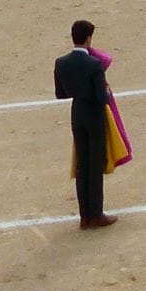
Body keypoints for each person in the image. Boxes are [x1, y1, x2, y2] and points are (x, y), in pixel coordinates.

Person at [52, 21, 118, 230]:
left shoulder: (61, 63)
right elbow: (102, 98)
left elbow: (60, 94)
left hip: (77, 113)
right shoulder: (94, 65)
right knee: (95, 164)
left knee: (82, 164)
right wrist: (106, 91)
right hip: (94, 115)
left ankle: (84, 217)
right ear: (88, 39)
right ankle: (96, 214)